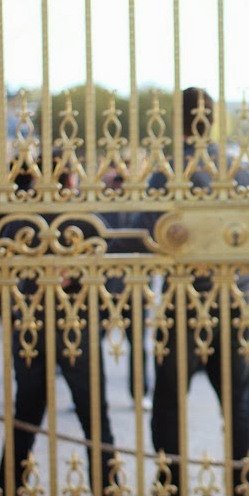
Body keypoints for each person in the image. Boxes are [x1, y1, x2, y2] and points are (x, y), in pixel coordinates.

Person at [113, 87, 249, 496]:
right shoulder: (237, 167)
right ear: (211, 121)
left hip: (182, 301)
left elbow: (143, 234)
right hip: (233, 299)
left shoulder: (165, 172)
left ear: (175, 122)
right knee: (240, 407)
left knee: (168, 407)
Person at [0, 159, 129, 496]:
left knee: (27, 414)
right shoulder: (83, 214)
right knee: (93, 417)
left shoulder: (19, 215)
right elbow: (111, 265)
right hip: (72, 324)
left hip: (34, 323)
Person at [102, 167, 152, 410]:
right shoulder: (100, 205)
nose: (119, 186)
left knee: (138, 344)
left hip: (135, 287)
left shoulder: (141, 208)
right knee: (90, 343)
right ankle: (93, 394)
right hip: (103, 286)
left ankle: (140, 393)